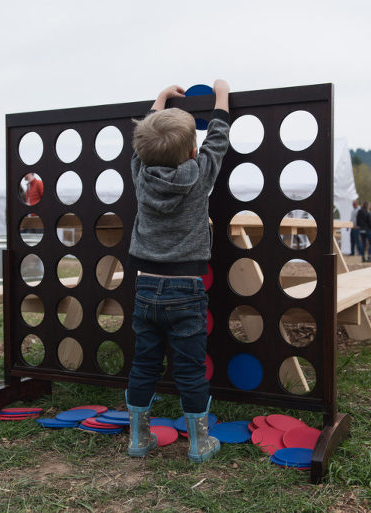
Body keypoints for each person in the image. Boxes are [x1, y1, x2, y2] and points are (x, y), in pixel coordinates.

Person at [126, 80, 230, 462]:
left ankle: (139, 438)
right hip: (187, 288)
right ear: (192, 151)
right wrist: (221, 96)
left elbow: (139, 143)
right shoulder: (200, 176)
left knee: (144, 364)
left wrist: (161, 99)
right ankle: (200, 444)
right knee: (189, 368)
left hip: (145, 287)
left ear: (142, 150)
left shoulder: (139, 175)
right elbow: (217, 139)